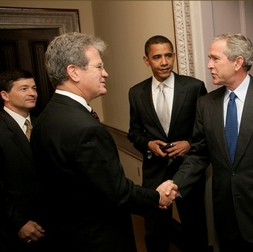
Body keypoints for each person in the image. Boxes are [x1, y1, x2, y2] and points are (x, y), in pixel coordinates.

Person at [30, 32, 178, 252]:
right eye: (98, 67)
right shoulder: (86, 129)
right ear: (73, 72)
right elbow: (118, 193)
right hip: (97, 238)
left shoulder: (45, 117)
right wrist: (157, 198)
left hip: (65, 234)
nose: (106, 73)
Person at [163, 33, 253, 251]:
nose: (209, 65)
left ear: (238, 62)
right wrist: (176, 183)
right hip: (227, 219)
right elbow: (199, 154)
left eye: (215, 58)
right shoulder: (206, 104)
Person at [127, 35, 209, 252]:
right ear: (147, 60)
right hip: (155, 171)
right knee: (155, 231)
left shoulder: (194, 88)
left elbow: (207, 131)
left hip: (188, 172)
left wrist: (189, 144)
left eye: (168, 55)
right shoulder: (136, 93)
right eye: (157, 57)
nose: (164, 62)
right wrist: (148, 145)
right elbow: (134, 132)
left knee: (195, 228)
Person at [0, 69, 45, 252]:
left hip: (49, 219)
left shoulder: (42, 123)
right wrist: (18, 222)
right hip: (15, 226)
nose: (32, 93)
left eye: (34, 88)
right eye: (24, 88)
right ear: (5, 95)